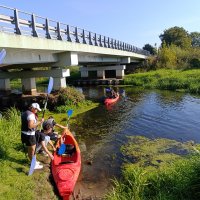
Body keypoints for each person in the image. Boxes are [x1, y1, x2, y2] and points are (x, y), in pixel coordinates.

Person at [21, 103, 44, 169]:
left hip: (24, 133)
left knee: (30, 149)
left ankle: (32, 161)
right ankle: (34, 165)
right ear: (33, 108)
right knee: (33, 150)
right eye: (36, 109)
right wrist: (40, 122)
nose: (37, 111)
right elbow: (30, 126)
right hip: (29, 135)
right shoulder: (31, 115)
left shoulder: (25, 112)